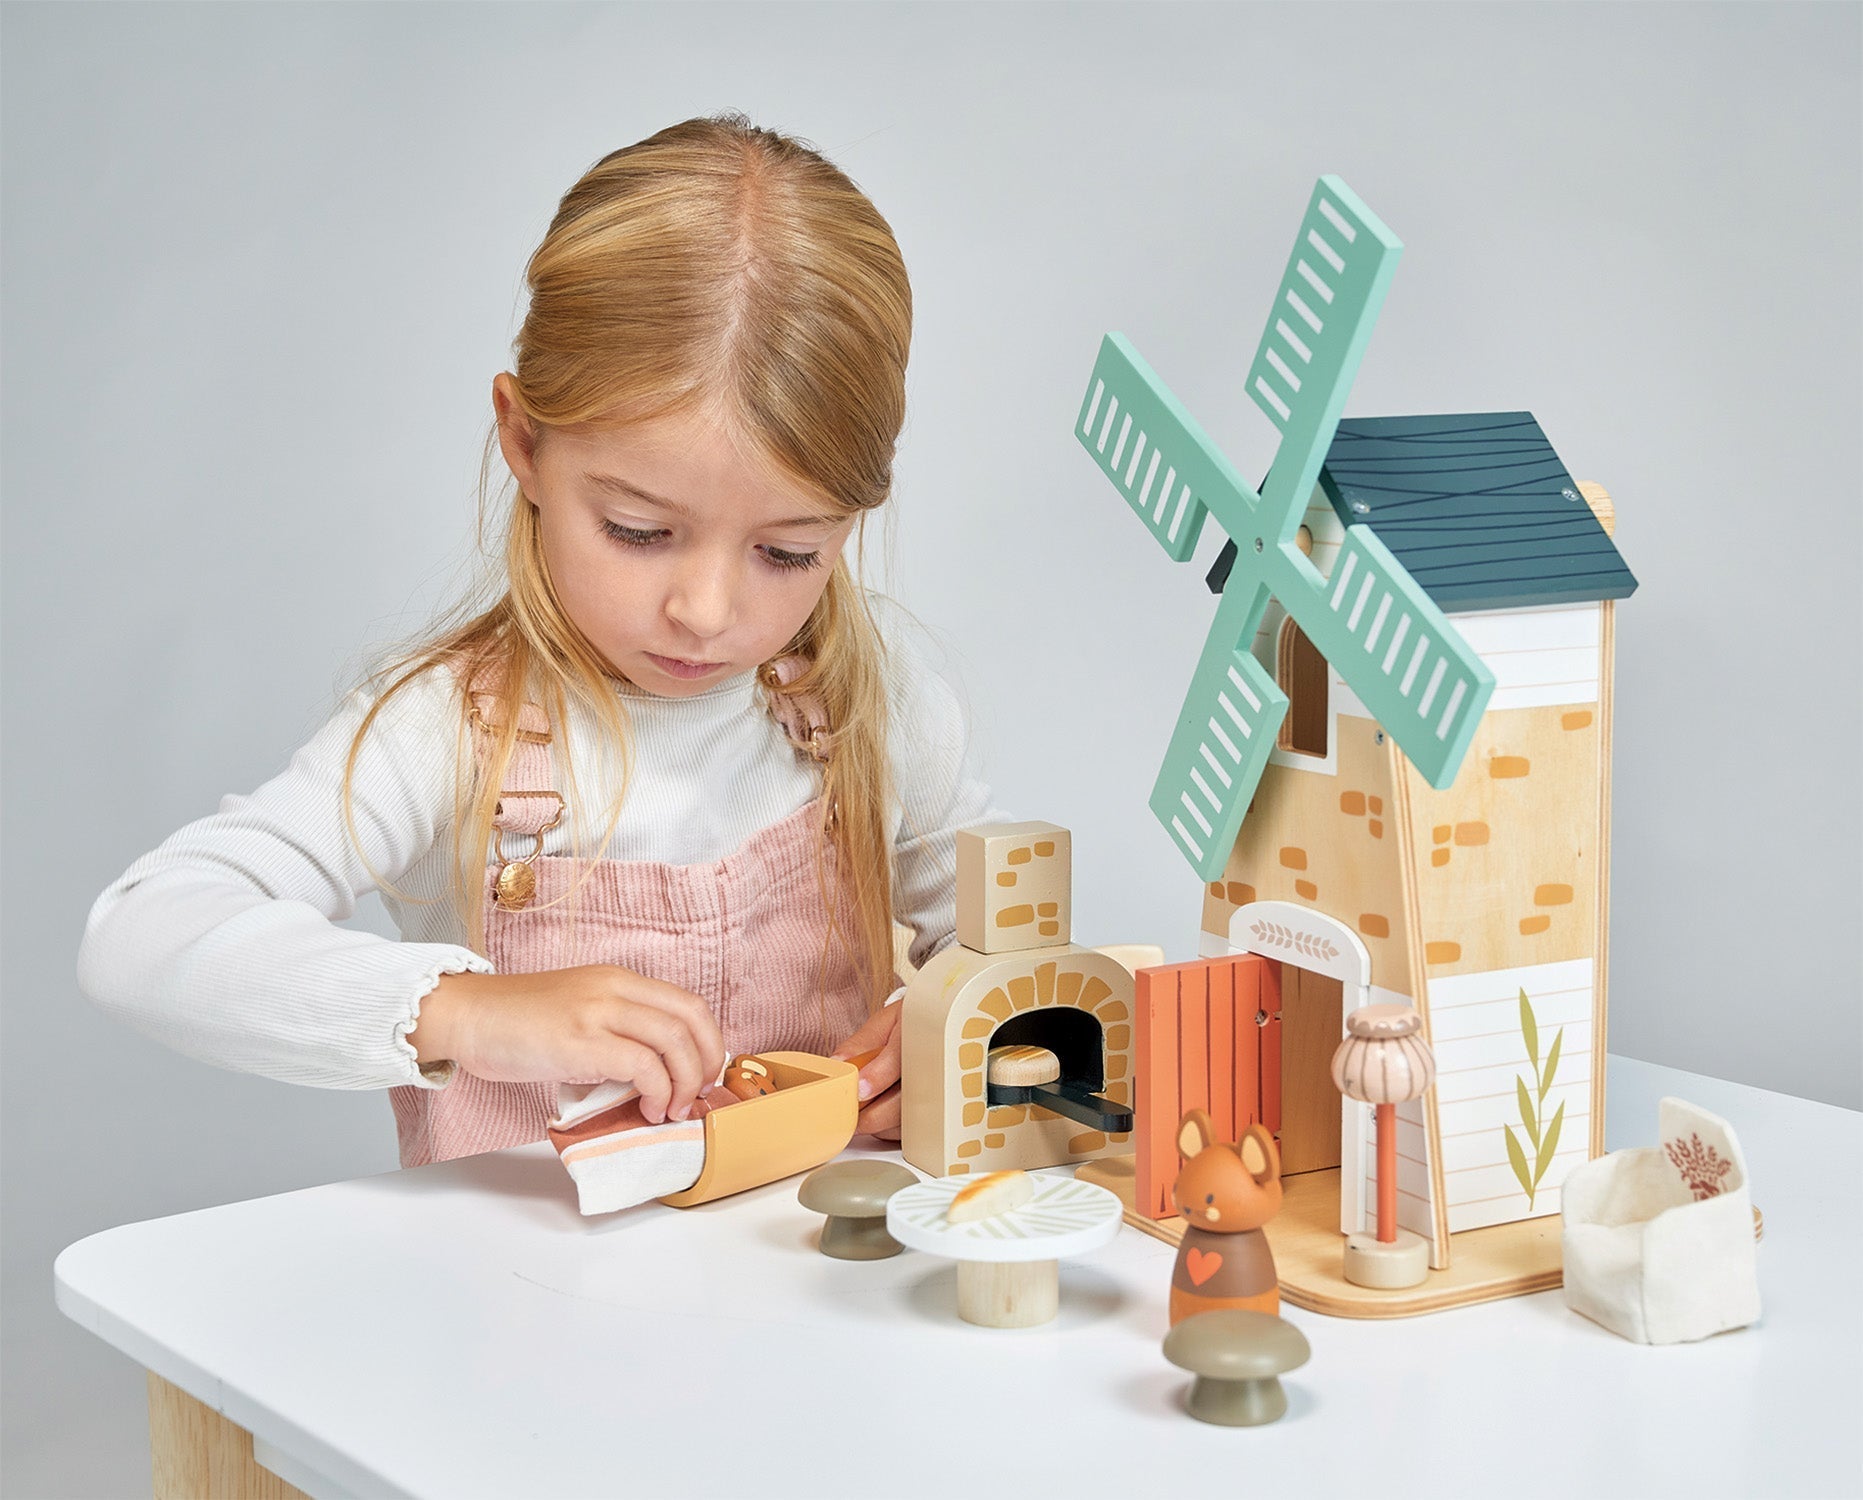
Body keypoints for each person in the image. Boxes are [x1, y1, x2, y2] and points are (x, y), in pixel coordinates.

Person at [77, 114, 1001, 1171]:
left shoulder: (873, 703)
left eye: (788, 553)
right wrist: (467, 1012)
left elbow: (1009, 946)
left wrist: (955, 1029)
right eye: (640, 532)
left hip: (815, 1311)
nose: (706, 609)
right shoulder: (445, 728)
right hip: (517, 1320)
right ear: (523, 441)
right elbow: (142, 935)